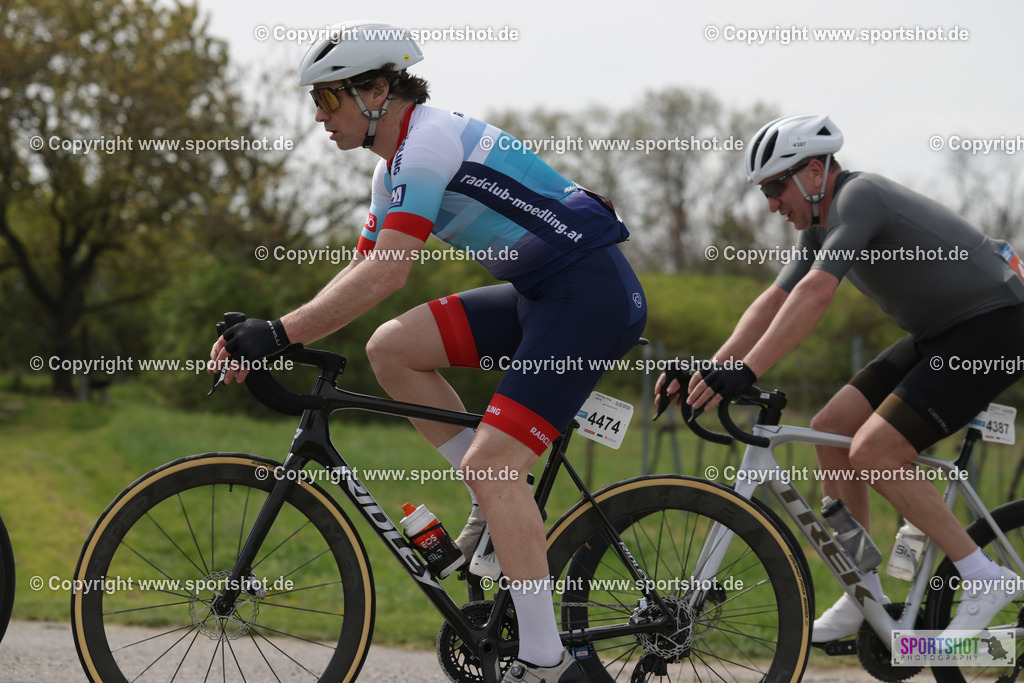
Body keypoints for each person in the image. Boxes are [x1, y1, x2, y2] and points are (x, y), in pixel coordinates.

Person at [209, 21, 646, 682]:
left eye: (329, 100)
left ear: (378, 90)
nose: (320, 117)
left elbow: (389, 274)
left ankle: (545, 659)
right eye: (316, 103)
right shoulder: (390, 175)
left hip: (590, 293)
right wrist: (274, 334)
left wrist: (280, 332)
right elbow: (359, 275)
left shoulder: (428, 142)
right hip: (539, 293)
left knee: (495, 462)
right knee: (391, 348)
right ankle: (495, 503)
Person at [662, 113, 1024, 642]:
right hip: (939, 335)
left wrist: (746, 371)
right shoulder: (819, 228)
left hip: (994, 326)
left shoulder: (861, 197)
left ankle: (983, 576)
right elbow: (774, 300)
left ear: (813, 173)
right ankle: (866, 591)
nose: (770, 204)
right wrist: (713, 370)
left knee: (875, 451)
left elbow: (816, 294)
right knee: (832, 432)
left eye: (774, 186)